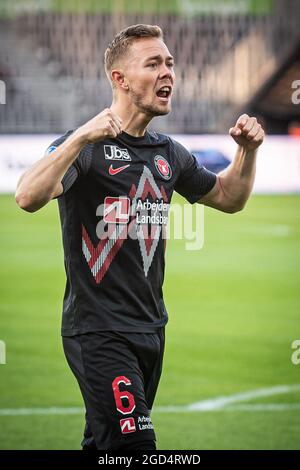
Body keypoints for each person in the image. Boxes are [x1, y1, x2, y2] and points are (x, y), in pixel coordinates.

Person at [15, 24, 264, 450]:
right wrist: (81, 136)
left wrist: (247, 151)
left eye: (169, 63)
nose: (168, 72)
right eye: (153, 64)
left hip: (151, 329)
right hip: (98, 332)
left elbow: (229, 197)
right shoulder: (87, 149)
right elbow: (27, 196)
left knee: (105, 446)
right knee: (135, 448)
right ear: (121, 79)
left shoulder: (170, 154)